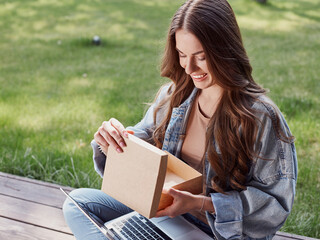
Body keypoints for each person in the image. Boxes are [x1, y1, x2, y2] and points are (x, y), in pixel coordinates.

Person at [62, 0, 298, 239]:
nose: (189, 67)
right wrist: (113, 141)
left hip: (216, 232)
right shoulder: (175, 96)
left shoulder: (260, 117)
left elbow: (275, 204)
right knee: (78, 203)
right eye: (182, 54)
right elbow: (143, 138)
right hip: (163, 215)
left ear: (225, 50)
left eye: (201, 56)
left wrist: (199, 203)